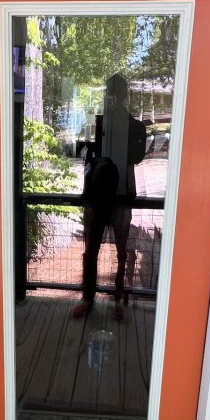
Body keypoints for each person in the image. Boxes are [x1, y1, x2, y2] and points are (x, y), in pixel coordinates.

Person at [71, 73, 146, 320]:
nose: (111, 96)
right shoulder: (99, 123)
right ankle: (88, 297)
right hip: (99, 195)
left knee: (122, 251)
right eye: (109, 92)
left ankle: (119, 299)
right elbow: (83, 152)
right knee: (91, 249)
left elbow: (136, 157)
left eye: (115, 92)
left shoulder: (135, 126)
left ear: (123, 96)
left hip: (121, 195)